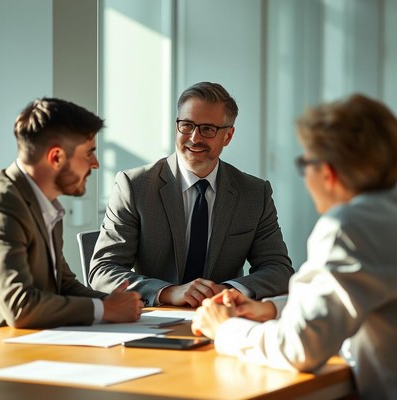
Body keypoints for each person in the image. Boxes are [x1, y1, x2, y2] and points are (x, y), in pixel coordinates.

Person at [191, 93, 397, 400]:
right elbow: (354, 293)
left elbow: (301, 348)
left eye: (305, 163)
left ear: (328, 172)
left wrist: (224, 330)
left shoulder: (349, 226)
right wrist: (271, 309)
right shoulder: (384, 214)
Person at [89, 82, 293, 307]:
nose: (195, 138)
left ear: (228, 136)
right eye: (187, 125)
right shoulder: (134, 186)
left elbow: (279, 270)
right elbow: (103, 272)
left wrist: (228, 291)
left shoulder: (254, 193)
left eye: (208, 129)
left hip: (224, 316)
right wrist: (168, 292)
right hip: (155, 319)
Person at [0, 97, 144, 329]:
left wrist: (115, 302)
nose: (95, 164)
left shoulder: (47, 205)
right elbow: (19, 306)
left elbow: (64, 285)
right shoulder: (3, 204)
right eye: (88, 153)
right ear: (56, 157)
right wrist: (106, 310)